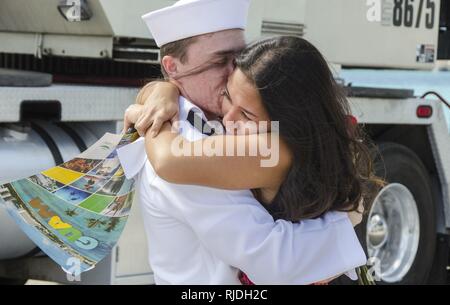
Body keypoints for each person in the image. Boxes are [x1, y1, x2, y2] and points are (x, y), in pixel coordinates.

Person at [117, 0, 367, 285]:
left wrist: (157, 93)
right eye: (220, 61)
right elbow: (275, 260)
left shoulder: (240, 127)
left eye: (238, 58)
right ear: (172, 67)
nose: (234, 73)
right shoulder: (188, 135)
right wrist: (347, 221)